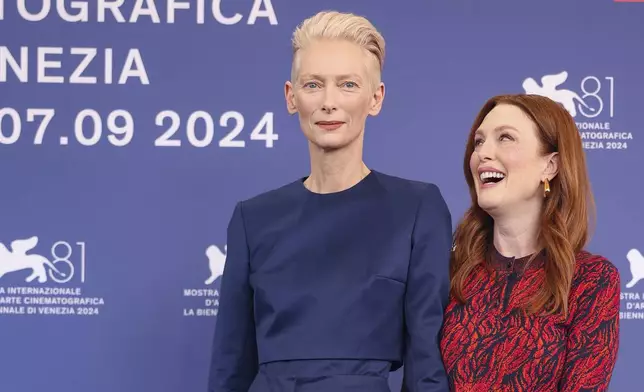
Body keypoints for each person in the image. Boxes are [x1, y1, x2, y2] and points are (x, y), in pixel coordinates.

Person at [207, 10, 452, 392]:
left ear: (376, 98)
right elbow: (230, 366)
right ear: (291, 97)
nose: (329, 102)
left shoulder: (417, 208)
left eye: (348, 85)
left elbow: (426, 367)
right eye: (313, 85)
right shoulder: (252, 219)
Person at [440, 94, 620, 391]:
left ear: (550, 166)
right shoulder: (449, 270)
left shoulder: (591, 281)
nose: (483, 153)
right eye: (479, 142)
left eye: (505, 138)